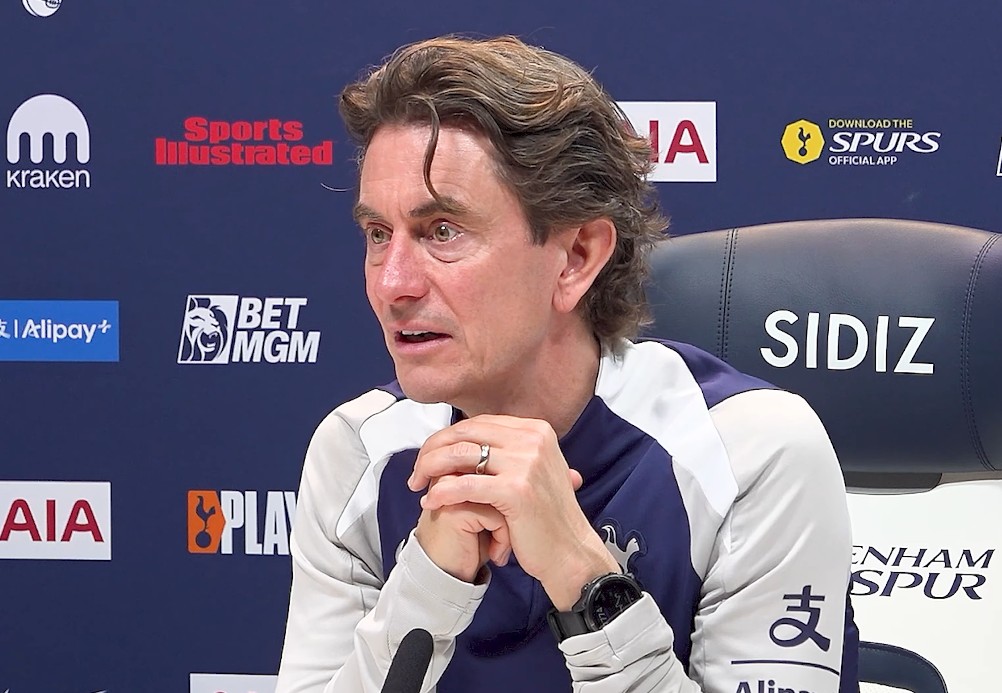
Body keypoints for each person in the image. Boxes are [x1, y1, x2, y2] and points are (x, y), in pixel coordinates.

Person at [276, 35, 858, 693]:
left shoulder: (753, 452)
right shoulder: (358, 452)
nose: (392, 283)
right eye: (379, 234)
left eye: (442, 231)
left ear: (577, 257)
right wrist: (427, 585)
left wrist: (587, 582)